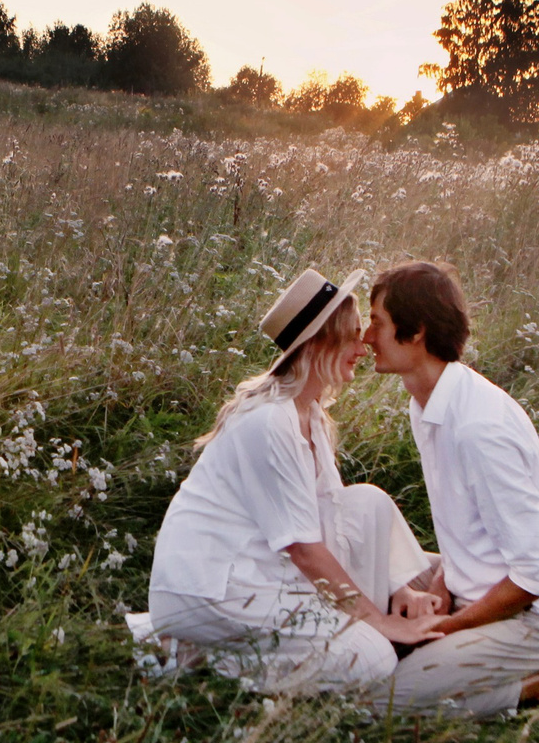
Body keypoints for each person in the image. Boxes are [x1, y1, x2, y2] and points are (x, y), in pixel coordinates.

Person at [144, 267, 442, 695]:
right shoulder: (271, 421)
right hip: (214, 589)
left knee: (367, 503)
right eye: (352, 335)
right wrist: (378, 621)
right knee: (374, 657)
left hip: (257, 567)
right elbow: (303, 548)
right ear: (320, 343)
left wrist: (400, 587)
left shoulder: (310, 413)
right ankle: (198, 656)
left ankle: (388, 608)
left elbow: (333, 518)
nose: (363, 347)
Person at [360, 261, 539, 730]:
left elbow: (534, 576)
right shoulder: (427, 404)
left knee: (380, 703)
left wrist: (441, 628)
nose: (366, 336)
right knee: (371, 593)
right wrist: (438, 591)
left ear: (415, 332)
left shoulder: (480, 428)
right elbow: (465, 533)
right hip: (477, 582)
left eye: (377, 322)